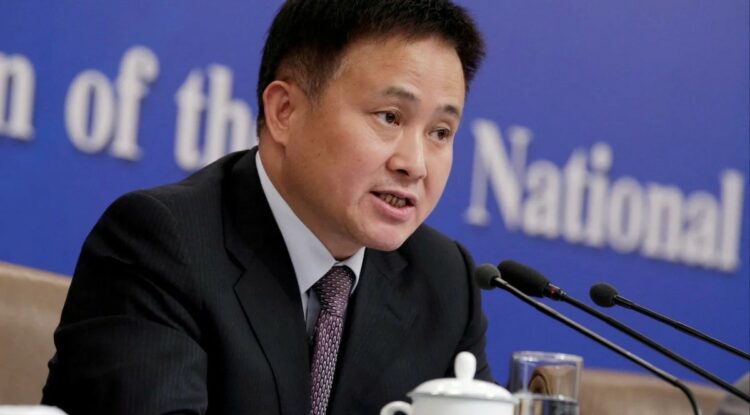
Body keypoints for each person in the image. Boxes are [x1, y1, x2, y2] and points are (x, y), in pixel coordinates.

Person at [42, 0, 491, 414]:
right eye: (389, 117)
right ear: (284, 111)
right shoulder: (161, 245)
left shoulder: (444, 281)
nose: (415, 164)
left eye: (440, 133)